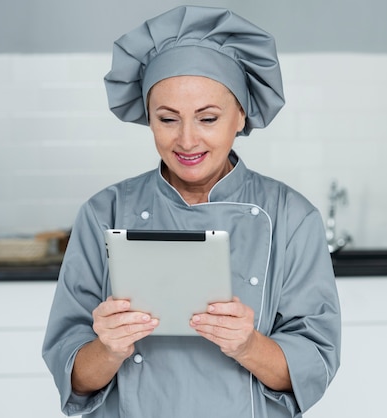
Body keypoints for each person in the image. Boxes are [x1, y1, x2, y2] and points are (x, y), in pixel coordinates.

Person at [42, 6, 341, 418]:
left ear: (240, 116)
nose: (186, 140)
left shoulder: (291, 217)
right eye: (167, 119)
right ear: (148, 119)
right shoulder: (104, 212)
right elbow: (73, 372)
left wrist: (248, 345)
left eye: (208, 118)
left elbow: (315, 365)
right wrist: (108, 349)